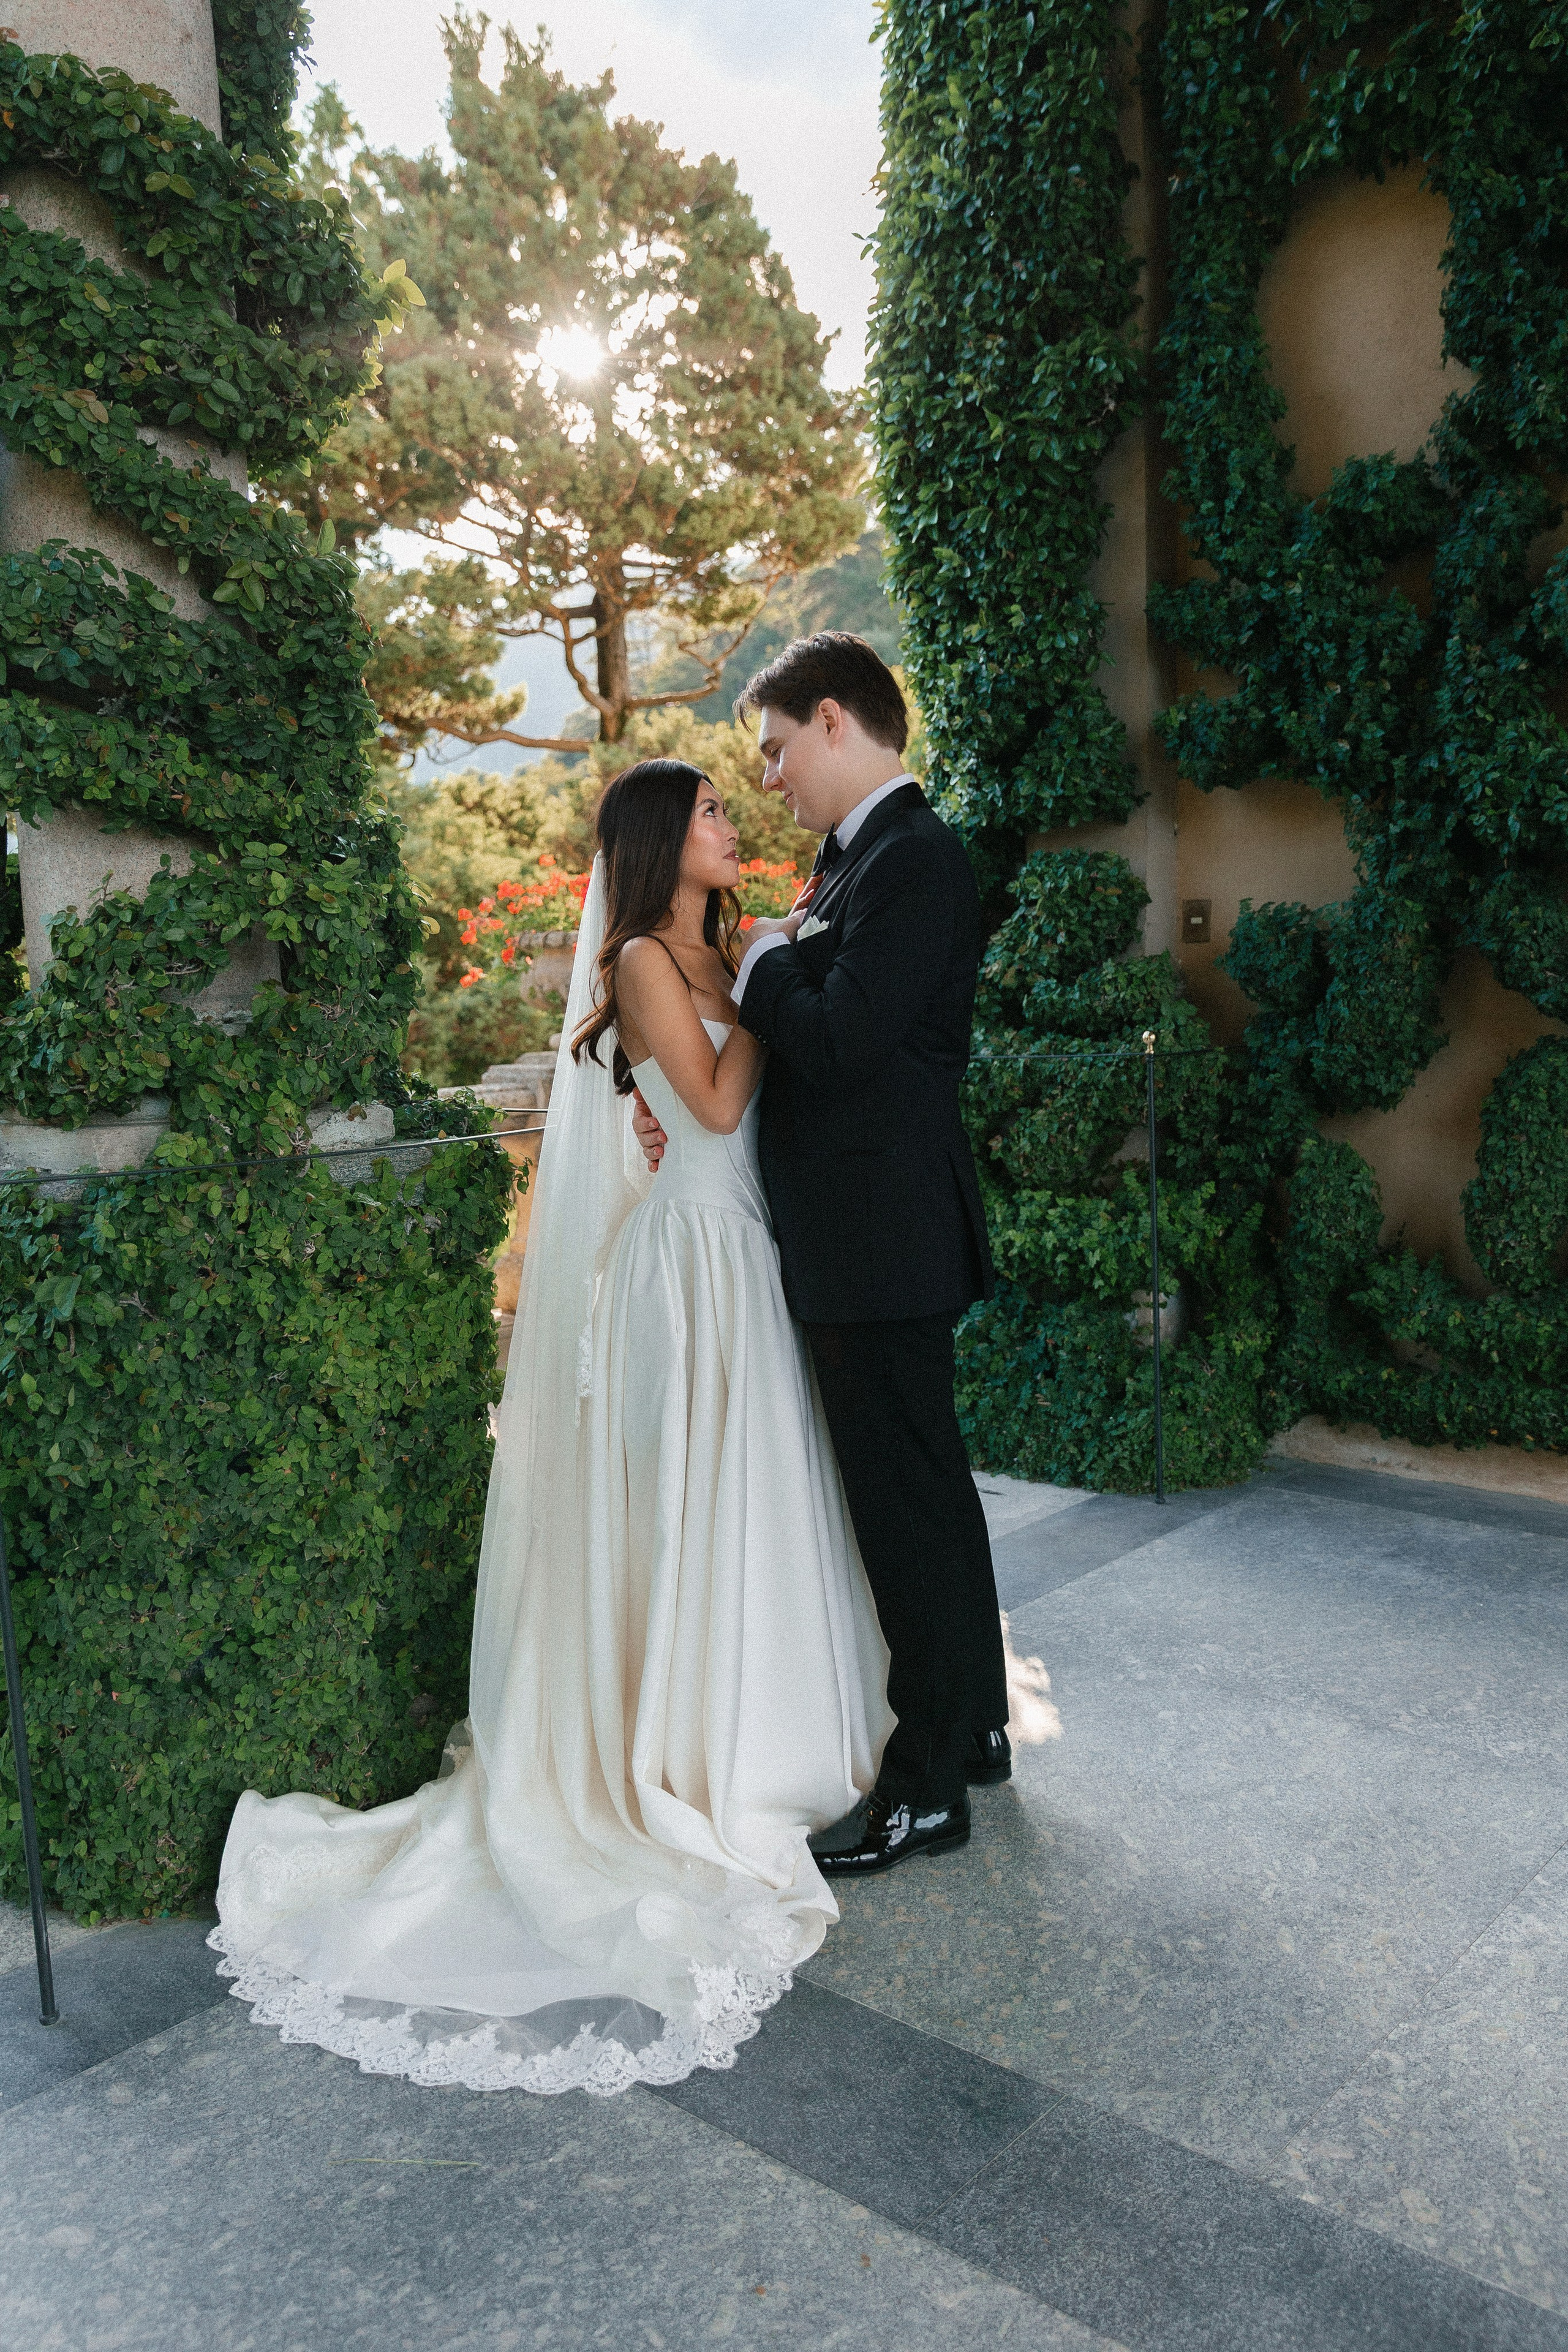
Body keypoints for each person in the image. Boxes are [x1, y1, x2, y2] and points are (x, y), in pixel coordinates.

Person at [208, 759, 891, 2095]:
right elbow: (711, 1103)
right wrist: (768, 975)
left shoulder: (715, 950)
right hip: (685, 1268)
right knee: (691, 1507)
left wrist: (762, 967)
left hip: (742, 1256)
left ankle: (766, 1732)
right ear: (655, 838)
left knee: (751, 1502)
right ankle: (686, 1761)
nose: (724, 821)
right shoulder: (644, 955)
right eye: (702, 809)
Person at [634, 633, 1009, 1874]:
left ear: (836, 721)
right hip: (862, 1230)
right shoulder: (860, 865)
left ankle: (924, 1789)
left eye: (779, 749)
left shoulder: (913, 861)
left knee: (903, 1507)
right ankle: (975, 1726)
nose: (772, 779)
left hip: (879, 1233)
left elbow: (840, 1042)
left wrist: (754, 958)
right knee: (923, 1492)